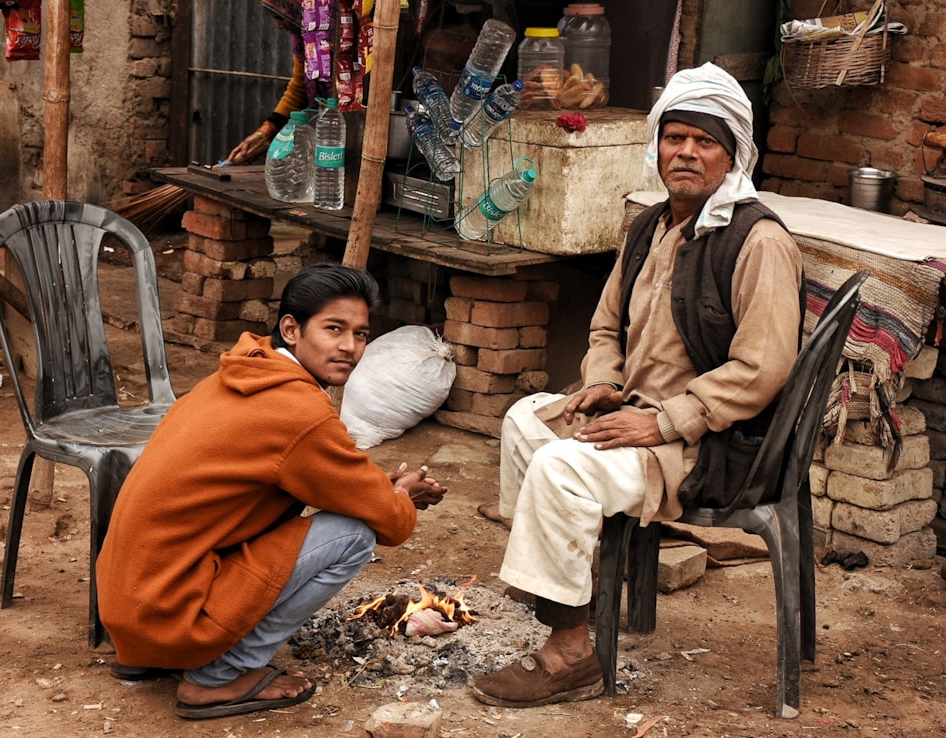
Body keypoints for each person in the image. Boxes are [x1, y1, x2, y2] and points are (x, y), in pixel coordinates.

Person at [471, 62, 805, 708]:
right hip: (640, 412)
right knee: (524, 423)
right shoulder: (648, 227)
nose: (685, 152)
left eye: (704, 141)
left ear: (732, 153)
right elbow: (603, 328)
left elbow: (762, 369)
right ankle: (567, 597)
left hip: (706, 444)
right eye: (674, 138)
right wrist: (604, 382)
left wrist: (662, 422)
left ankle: (570, 654)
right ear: (656, 148)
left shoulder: (757, 241)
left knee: (562, 471)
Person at [95, 263, 447, 720]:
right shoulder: (298, 411)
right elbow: (392, 524)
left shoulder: (241, 372)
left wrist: (383, 490)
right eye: (334, 329)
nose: (349, 347)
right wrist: (399, 497)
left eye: (361, 334)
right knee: (354, 536)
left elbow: (306, 477)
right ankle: (217, 679)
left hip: (131, 605)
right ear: (291, 329)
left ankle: (152, 658)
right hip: (170, 608)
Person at [224, 1, 311, 165]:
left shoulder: (337, 36)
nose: (279, 26)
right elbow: (299, 89)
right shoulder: (302, 43)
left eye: (280, 18)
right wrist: (265, 132)